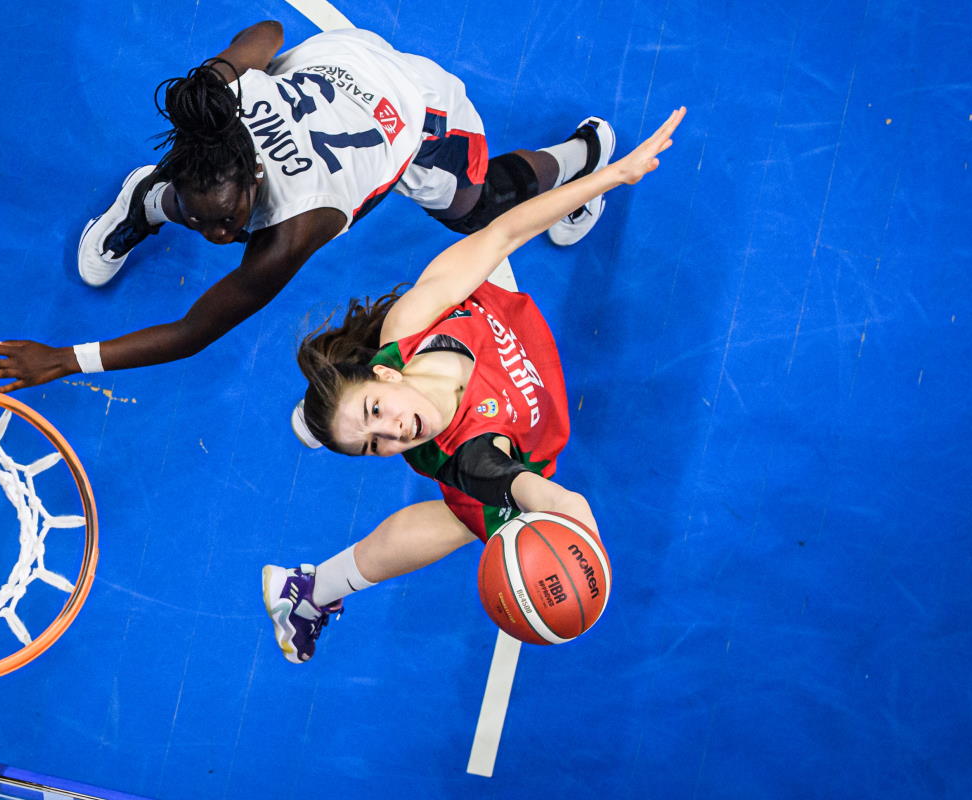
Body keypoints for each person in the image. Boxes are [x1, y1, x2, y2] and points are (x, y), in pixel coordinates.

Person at [0, 20, 615, 392]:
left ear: (255, 177)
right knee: (197, 162)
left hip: (416, 112)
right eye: (209, 220)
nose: (221, 234)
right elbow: (270, 30)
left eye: (229, 218)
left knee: (474, 209)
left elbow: (195, 333)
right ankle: (150, 199)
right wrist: (218, 72)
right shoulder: (225, 113)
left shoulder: (300, 225)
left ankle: (584, 156)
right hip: (336, 66)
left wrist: (64, 358)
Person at [262, 107, 686, 663]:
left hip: (485, 315)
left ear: (385, 370)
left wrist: (611, 174)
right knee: (466, 522)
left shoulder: (410, 327)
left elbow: (504, 233)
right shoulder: (473, 460)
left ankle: (581, 159)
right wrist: (582, 543)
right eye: (374, 445)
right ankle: (312, 590)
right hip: (506, 421)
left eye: (374, 412)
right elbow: (551, 497)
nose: (393, 433)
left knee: (486, 212)